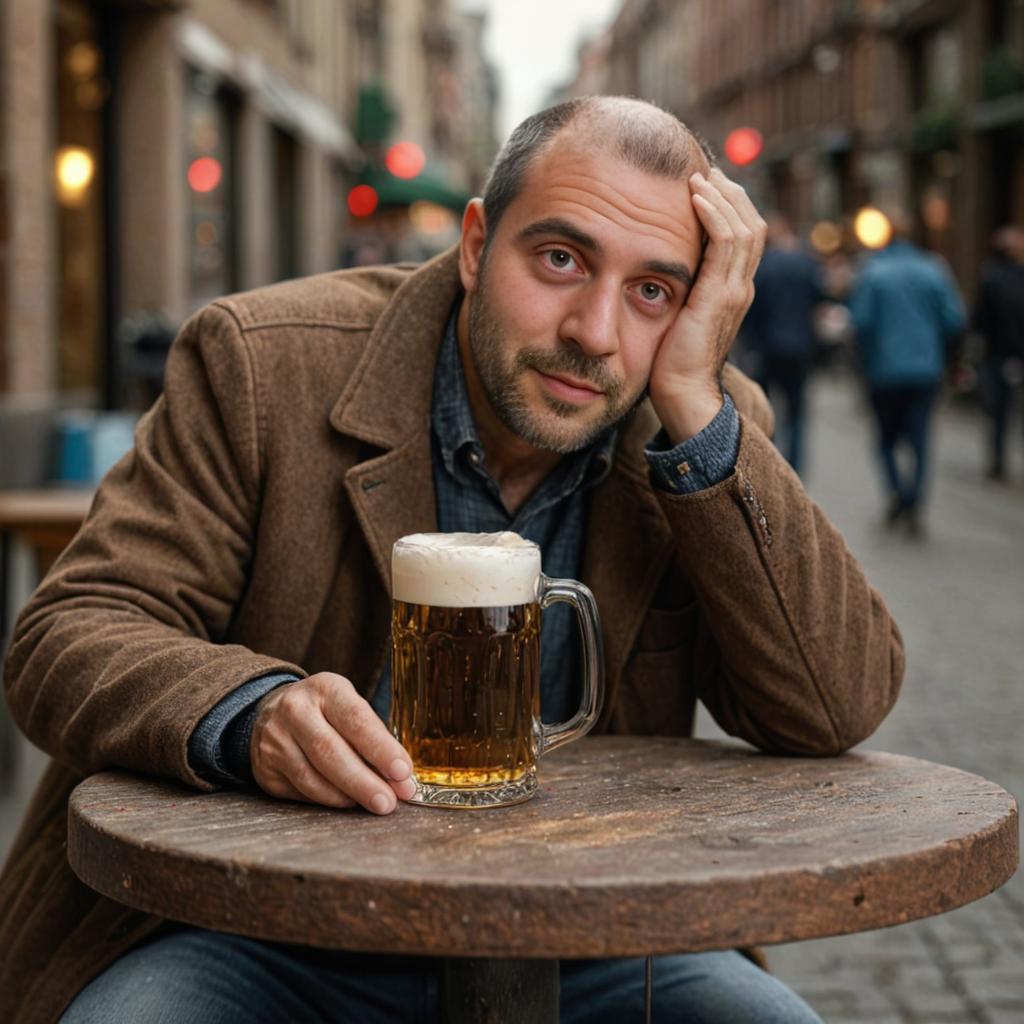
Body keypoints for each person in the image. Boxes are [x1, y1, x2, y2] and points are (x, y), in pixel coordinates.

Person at [2, 97, 904, 1024]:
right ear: (476, 245)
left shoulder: (693, 424)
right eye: (561, 259)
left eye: (652, 291)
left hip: (581, 933)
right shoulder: (263, 365)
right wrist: (252, 715)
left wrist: (692, 403)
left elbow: (837, 705)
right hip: (256, 927)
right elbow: (68, 632)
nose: (594, 332)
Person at [849, 209, 966, 535]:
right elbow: (954, 319)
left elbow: (861, 323)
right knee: (920, 440)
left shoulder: (872, 272)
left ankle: (897, 492)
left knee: (885, 440)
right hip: (925, 371)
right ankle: (914, 500)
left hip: (884, 372)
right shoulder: (933, 270)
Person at [741, 212, 826, 474]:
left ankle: (770, 466)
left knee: (766, 411)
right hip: (800, 349)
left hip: (767, 349)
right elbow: (820, 300)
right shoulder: (806, 263)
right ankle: (794, 470)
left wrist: (749, 345)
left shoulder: (763, 266)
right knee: (797, 413)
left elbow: (750, 307)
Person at [972, 225, 1024, 481]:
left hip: (1003, 353)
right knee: (999, 410)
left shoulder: (994, 276)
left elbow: (979, 319)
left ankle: (998, 459)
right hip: (1000, 354)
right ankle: (998, 459)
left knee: (1000, 411)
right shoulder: (994, 278)